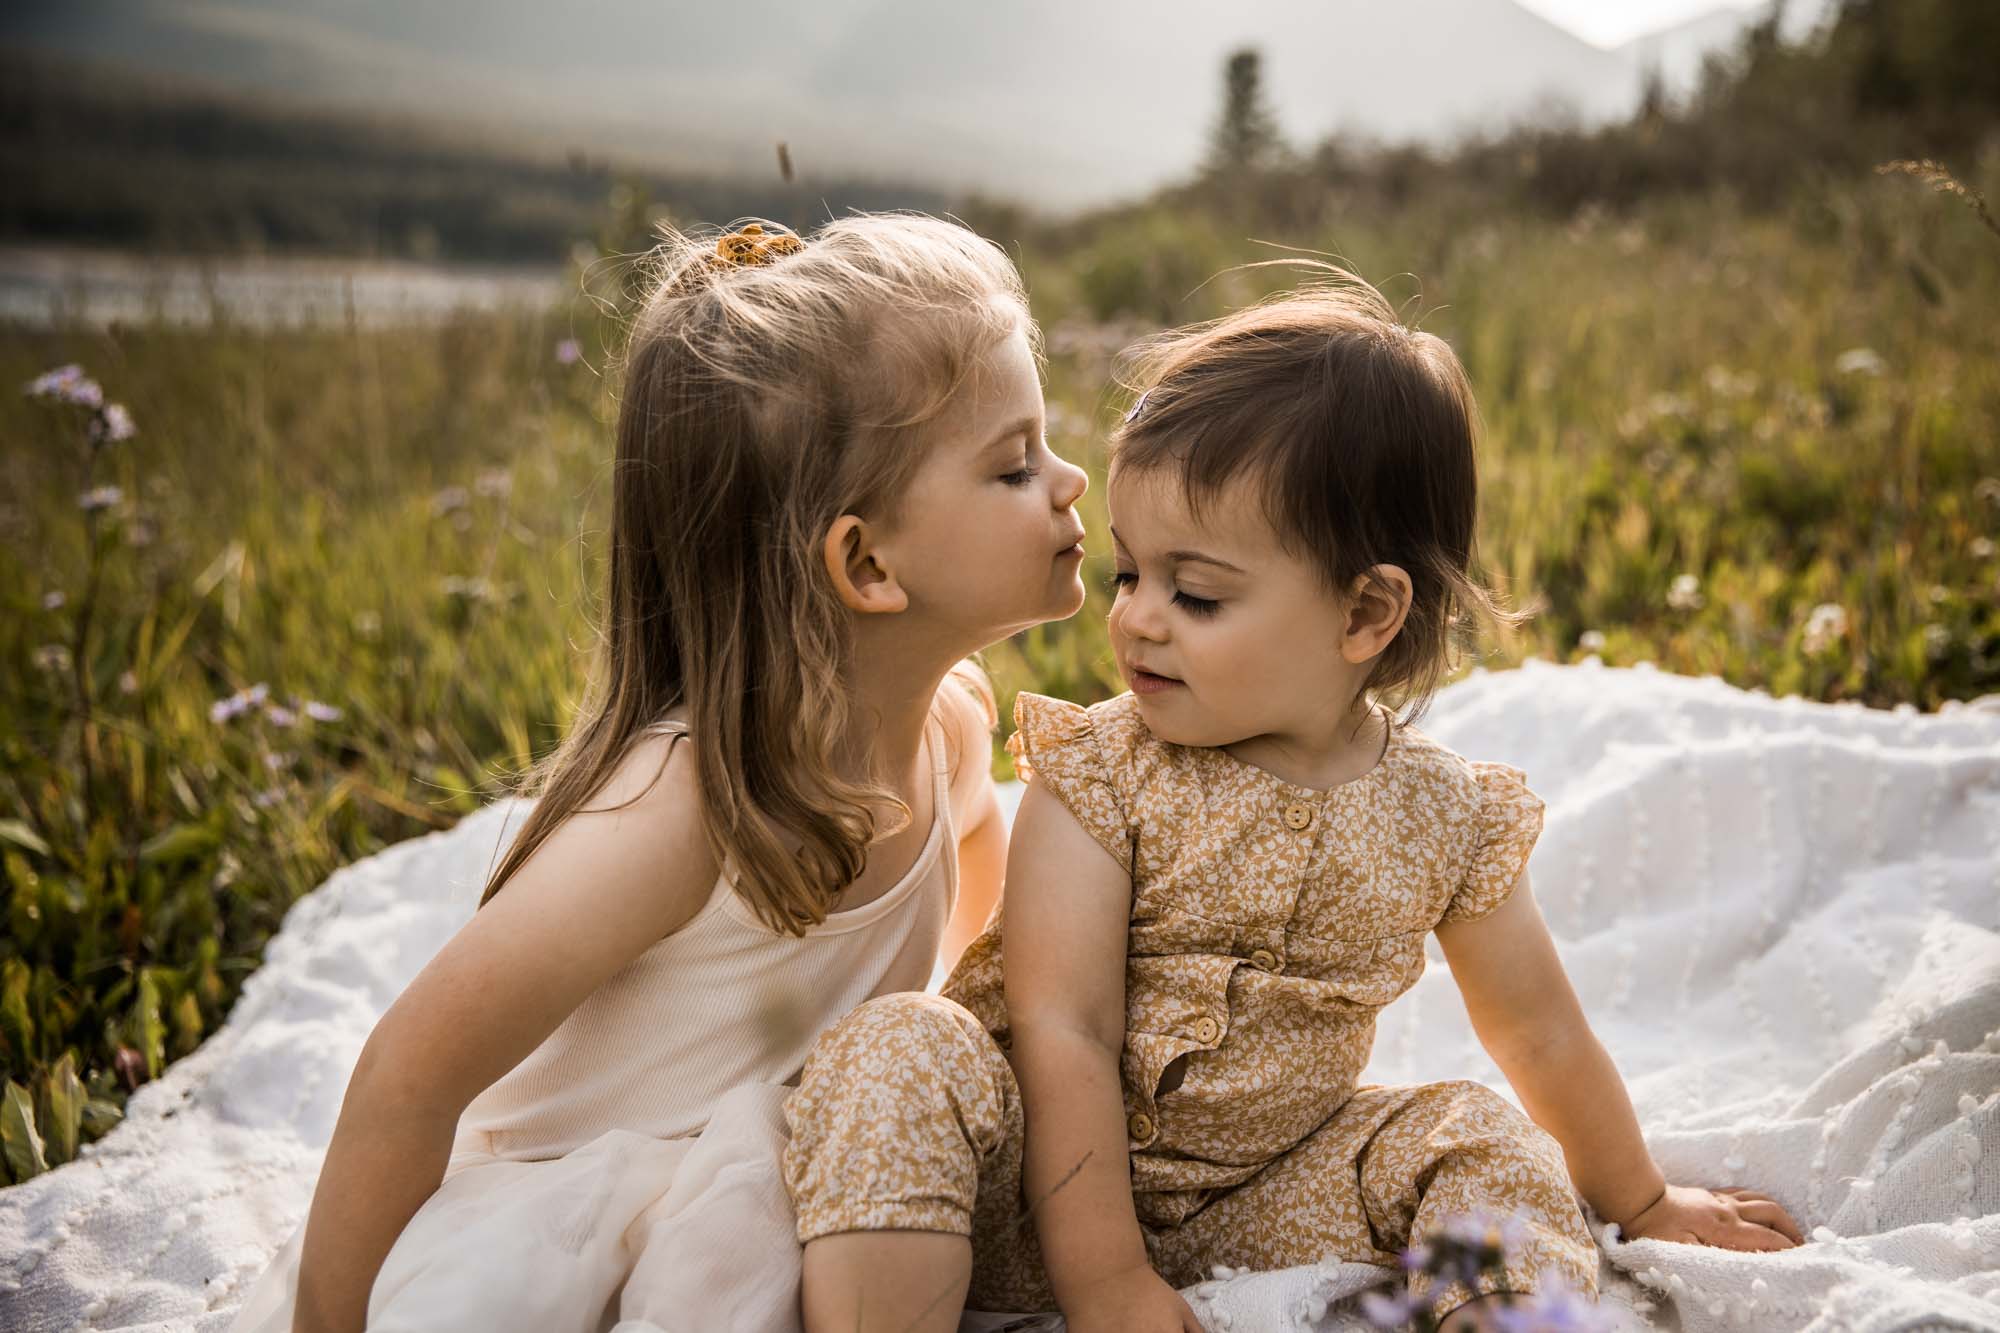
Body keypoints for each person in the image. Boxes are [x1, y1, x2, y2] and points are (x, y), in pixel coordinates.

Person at [783, 274, 1807, 1333]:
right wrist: (1108, 1284)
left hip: (1267, 1190)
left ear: (1364, 613)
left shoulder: (1441, 814)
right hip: (1023, 1189)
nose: (1136, 619)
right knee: (899, 1046)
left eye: (1194, 593)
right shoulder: (1099, 774)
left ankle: (1499, 1320)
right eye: (1129, 573)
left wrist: (1642, 1199)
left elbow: (1539, 1031)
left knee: (1481, 1137)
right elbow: (1066, 1028)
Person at [227, 213, 1091, 1333]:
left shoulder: (951, 732)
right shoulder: (687, 809)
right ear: (867, 561)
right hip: (578, 1216)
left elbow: (981, 907)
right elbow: (409, 1069)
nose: (1071, 479)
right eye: (1016, 465)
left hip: (797, 1180)